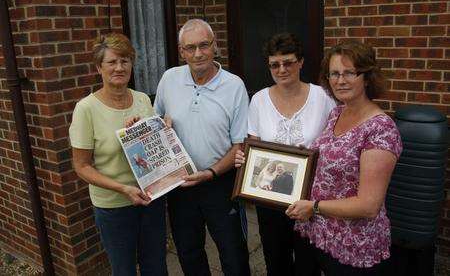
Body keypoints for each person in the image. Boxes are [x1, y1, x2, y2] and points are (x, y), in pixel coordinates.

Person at [288, 41, 403, 275]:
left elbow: (369, 205)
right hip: (318, 233)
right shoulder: (337, 112)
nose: (341, 80)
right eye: (334, 74)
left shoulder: (380, 129)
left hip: (353, 243)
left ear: (367, 77)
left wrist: (314, 207)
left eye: (350, 72)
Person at [154, 19, 250, 276]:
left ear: (214, 46)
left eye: (204, 45)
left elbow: (239, 145)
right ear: (181, 51)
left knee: (233, 252)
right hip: (180, 184)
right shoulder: (169, 79)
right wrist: (153, 127)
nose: (198, 53)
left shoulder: (234, 85)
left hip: (221, 182)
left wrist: (210, 173)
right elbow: (156, 125)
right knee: (188, 251)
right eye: (191, 47)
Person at [236, 33, 335, 276]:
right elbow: (253, 144)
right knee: (275, 260)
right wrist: (245, 160)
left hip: (310, 199)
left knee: (308, 264)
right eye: (275, 64)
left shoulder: (323, 97)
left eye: (288, 62)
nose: (282, 69)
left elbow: (335, 142)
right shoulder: (259, 100)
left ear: (301, 62)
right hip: (270, 199)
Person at [69, 33, 167, 276]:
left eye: (125, 61)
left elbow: (154, 149)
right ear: (98, 68)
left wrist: (161, 129)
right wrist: (123, 189)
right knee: (123, 269)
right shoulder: (86, 109)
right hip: (114, 206)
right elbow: (82, 166)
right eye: (112, 62)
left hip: (151, 198)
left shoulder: (143, 99)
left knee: (156, 265)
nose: (119, 68)